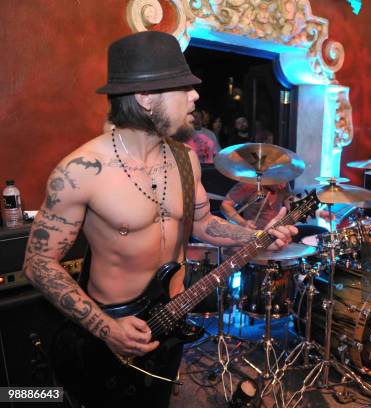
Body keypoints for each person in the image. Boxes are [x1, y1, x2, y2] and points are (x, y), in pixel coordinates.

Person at [22, 31, 296, 407]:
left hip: (171, 319)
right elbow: (37, 262)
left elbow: (202, 225)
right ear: (146, 97)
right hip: (111, 332)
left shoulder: (184, 160)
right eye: (183, 87)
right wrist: (105, 328)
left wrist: (256, 235)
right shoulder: (81, 170)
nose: (195, 96)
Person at [221, 182, 292, 230]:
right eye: (279, 178)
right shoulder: (248, 185)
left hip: (277, 233)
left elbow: (288, 203)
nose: (283, 185)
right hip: (254, 236)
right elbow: (225, 205)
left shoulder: (284, 184)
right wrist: (243, 223)